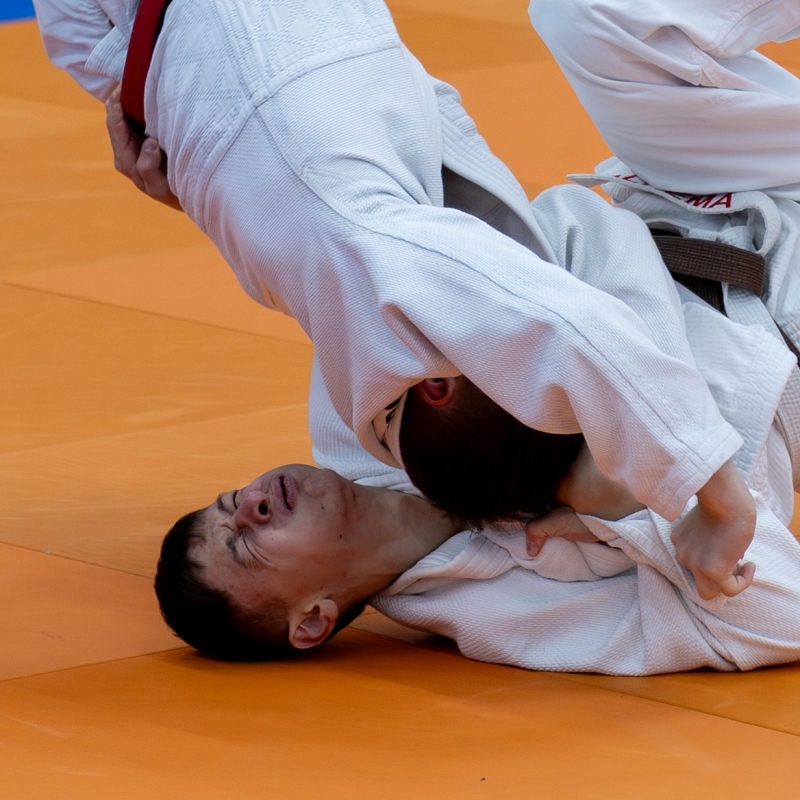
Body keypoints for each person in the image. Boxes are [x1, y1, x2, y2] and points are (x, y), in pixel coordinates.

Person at [33, 0, 755, 599]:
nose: (250, 504)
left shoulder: (361, 288)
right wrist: (692, 499)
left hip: (174, 77)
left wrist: (712, 501)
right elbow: (566, 322)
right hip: (208, 65)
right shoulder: (379, 281)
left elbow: (564, 326)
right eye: (247, 542)